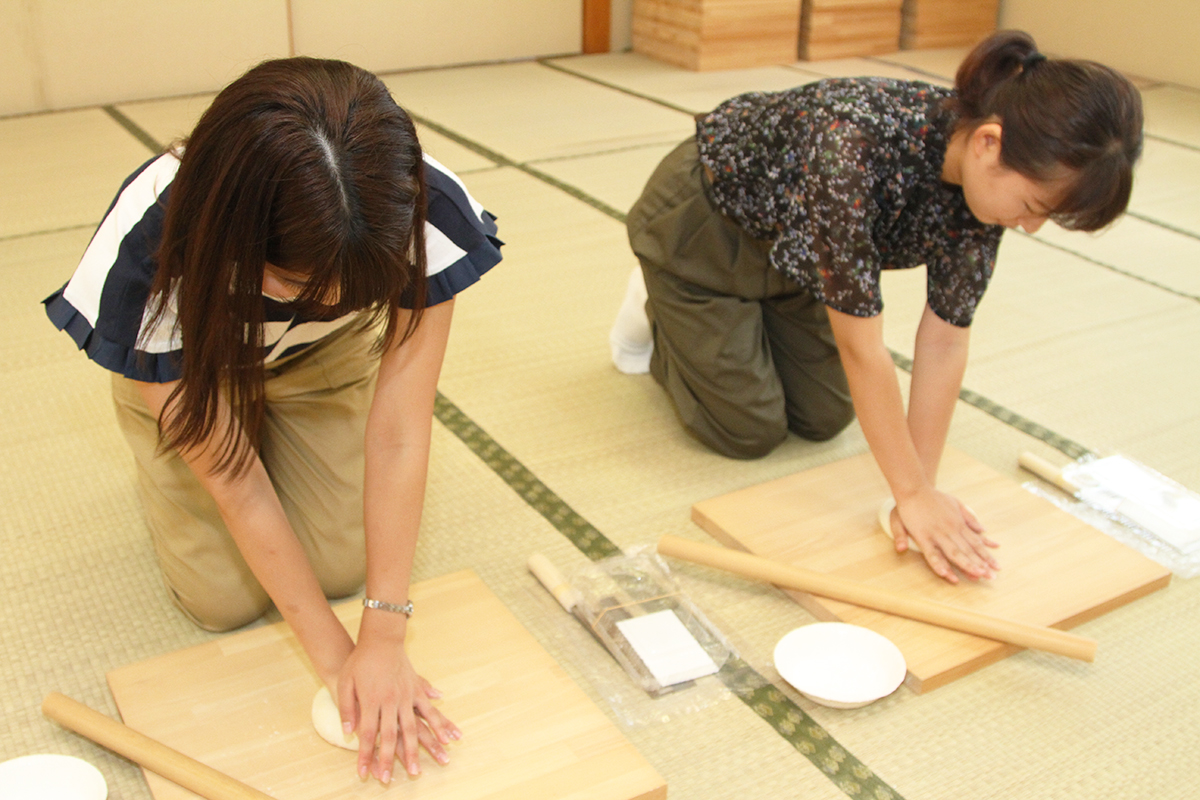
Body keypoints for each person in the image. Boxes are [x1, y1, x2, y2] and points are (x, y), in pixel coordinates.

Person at [44, 57, 502, 784]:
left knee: (349, 569)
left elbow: (402, 426)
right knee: (222, 603)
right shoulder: (148, 249)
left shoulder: (419, 204)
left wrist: (383, 632)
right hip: (197, 376)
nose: (328, 301)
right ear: (236, 233)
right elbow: (236, 481)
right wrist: (336, 665)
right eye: (299, 285)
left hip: (325, 366)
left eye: (357, 287)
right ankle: (159, 467)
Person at [610, 30, 1142, 583]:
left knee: (824, 417)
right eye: (1034, 207)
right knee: (749, 430)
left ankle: (742, 324)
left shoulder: (986, 198)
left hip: (799, 259)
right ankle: (657, 299)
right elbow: (862, 348)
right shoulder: (852, 148)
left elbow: (944, 339)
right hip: (705, 229)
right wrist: (909, 490)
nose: (1030, 226)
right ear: (989, 142)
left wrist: (919, 492)